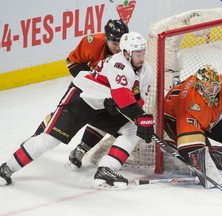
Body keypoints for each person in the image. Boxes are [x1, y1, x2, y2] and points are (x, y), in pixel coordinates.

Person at [0, 32, 154, 189]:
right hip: (82, 99)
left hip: (104, 105)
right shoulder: (118, 64)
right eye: (137, 53)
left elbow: (137, 99)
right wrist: (139, 116)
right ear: (127, 53)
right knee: (50, 139)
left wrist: (139, 119)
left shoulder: (146, 70)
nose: (141, 58)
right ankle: (6, 169)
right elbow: (123, 97)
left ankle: (106, 171)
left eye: (142, 52)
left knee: (133, 129)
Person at [25, 19, 129, 170]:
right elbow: (72, 62)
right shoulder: (93, 43)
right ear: (106, 39)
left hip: (114, 89)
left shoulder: (131, 50)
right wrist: (90, 82)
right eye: (115, 43)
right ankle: (35, 139)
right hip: (90, 85)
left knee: (108, 117)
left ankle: (81, 149)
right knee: (64, 115)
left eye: (122, 42)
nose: (119, 47)